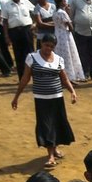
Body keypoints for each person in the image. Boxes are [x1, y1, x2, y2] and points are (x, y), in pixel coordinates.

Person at [11, 34, 77, 170]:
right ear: (41, 43)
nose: (49, 48)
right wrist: (16, 96)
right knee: (46, 125)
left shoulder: (58, 59)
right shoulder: (32, 58)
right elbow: (25, 78)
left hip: (57, 98)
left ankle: (55, 149)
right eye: (47, 45)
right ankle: (51, 156)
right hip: (41, 99)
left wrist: (72, 92)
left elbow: (64, 78)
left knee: (57, 123)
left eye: (52, 46)